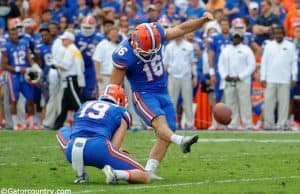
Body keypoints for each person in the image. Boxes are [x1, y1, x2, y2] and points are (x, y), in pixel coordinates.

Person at [110, 12, 214, 179]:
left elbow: (182, 28)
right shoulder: (123, 54)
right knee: (160, 124)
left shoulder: (155, 33)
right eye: (147, 52)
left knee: (169, 128)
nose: (151, 54)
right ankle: (181, 141)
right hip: (143, 94)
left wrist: (202, 20)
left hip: (162, 91)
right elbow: (114, 86)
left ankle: (150, 171)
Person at [56, 84, 150, 184]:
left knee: (63, 131)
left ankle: (81, 173)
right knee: (145, 175)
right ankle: (115, 174)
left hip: (72, 150)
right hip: (98, 149)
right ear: (120, 100)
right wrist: (117, 152)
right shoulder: (122, 111)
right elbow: (115, 146)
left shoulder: (85, 104)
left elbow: (78, 129)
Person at [260, 26, 298, 130]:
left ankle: (282, 124)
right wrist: (263, 77)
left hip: (285, 79)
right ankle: (269, 125)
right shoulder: (268, 46)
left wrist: (294, 77)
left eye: (280, 33)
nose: (278, 35)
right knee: (268, 102)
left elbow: (293, 63)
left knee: (284, 104)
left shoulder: (290, 46)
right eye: (276, 33)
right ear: (273, 35)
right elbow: (264, 62)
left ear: (284, 34)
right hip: (270, 79)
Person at [218, 29, 256, 130]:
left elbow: (252, 65)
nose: (236, 39)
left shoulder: (246, 49)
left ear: (241, 38)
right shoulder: (226, 49)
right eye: (234, 37)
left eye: (238, 37)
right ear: (231, 38)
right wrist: (225, 75)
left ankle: (248, 124)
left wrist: (241, 76)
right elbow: (220, 64)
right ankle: (232, 124)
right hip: (229, 80)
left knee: (245, 102)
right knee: (230, 103)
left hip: (243, 81)